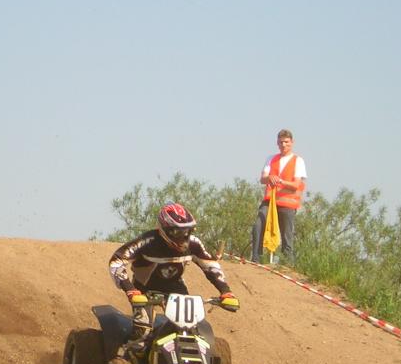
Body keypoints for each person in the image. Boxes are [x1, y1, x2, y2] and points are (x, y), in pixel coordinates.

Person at [109, 203, 239, 344]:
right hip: (144, 290)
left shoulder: (194, 244)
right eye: (178, 232)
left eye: (188, 231)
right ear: (164, 229)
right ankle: (131, 354)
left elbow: (210, 266)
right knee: (142, 333)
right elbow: (117, 261)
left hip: (175, 288)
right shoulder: (147, 242)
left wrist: (226, 291)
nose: (184, 236)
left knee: (191, 328)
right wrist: (130, 289)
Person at [250, 128, 307, 264]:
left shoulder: (298, 161)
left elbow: (296, 184)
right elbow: (263, 179)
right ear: (277, 143)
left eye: (286, 142)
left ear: (292, 142)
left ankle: (287, 263)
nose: (283, 145)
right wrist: (269, 178)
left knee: (286, 234)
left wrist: (281, 181)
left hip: (288, 204)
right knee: (258, 225)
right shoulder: (271, 159)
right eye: (281, 142)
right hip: (270, 201)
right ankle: (255, 258)